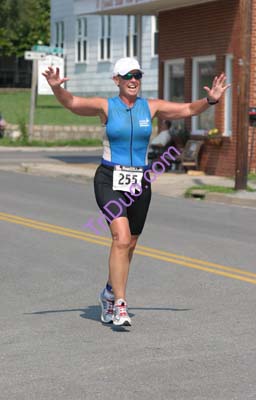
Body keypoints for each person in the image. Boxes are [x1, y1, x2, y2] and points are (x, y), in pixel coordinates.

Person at [43, 57, 230, 327]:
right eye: (127, 75)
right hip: (109, 179)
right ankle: (120, 304)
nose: (133, 80)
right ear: (116, 80)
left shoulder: (150, 107)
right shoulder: (105, 106)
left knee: (129, 243)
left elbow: (188, 108)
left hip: (139, 181)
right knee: (120, 238)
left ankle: (109, 292)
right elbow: (72, 102)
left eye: (137, 75)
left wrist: (211, 101)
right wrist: (56, 88)